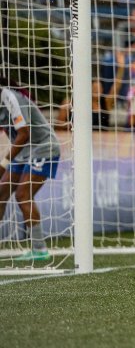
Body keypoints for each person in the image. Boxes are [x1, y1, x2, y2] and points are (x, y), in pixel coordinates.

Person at [0, 81, 62, 262]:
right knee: (1, 192)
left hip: (43, 147)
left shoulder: (10, 97)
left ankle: (39, 249)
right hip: (24, 152)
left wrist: (3, 163)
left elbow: (24, 133)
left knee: (23, 194)